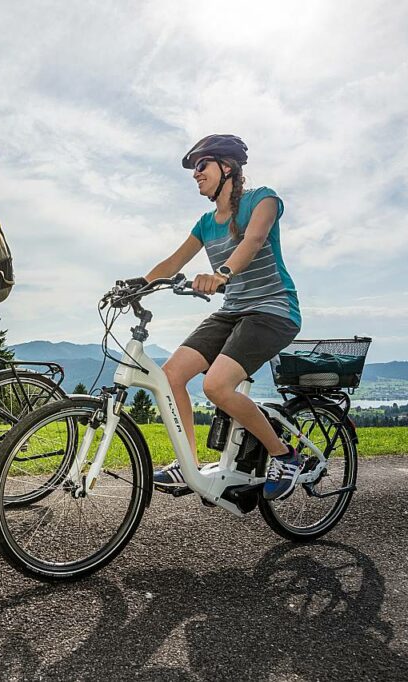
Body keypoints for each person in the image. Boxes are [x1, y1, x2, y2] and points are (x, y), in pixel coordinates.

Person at [140, 134, 303, 501]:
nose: (195, 175)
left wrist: (223, 274)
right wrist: (135, 286)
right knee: (173, 374)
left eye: (201, 166)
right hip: (233, 311)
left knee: (215, 386)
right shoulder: (205, 223)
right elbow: (172, 263)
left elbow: (254, 240)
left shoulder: (264, 199)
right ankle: (188, 466)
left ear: (226, 167)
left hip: (273, 310)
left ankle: (284, 455)